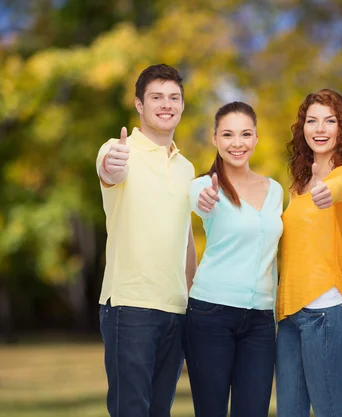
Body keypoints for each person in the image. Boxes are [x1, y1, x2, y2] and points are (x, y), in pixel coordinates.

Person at [95, 64, 197, 417]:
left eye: (174, 98)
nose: (166, 104)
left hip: (176, 309)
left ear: (182, 105)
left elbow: (185, 239)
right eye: (156, 97)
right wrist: (114, 164)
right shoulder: (117, 148)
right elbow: (110, 169)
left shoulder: (186, 167)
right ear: (139, 104)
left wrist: (192, 297)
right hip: (130, 306)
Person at [184, 101, 283, 417]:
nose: (237, 143)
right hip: (211, 314)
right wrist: (205, 200)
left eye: (245, 134)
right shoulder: (203, 187)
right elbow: (198, 203)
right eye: (227, 134)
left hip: (260, 321)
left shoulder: (276, 190)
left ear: (256, 138)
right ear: (214, 139)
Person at [275, 89, 342, 417]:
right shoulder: (295, 187)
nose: (320, 128)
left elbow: (341, 188)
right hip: (288, 314)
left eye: (330, 120)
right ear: (303, 129)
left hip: (326, 311)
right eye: (312, 121)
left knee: (328, 411)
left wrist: (324, 188)